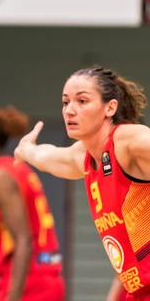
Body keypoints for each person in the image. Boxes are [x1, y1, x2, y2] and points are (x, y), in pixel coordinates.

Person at [14, 66, 150, 300]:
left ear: (110, 107)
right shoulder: (84, 157)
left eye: (82, 101)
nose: (70, 110)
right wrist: (26, 150)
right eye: (66, 102)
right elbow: (48, 158)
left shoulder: (128, 140)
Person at [0, 105, 64, 301]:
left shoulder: (0, 176)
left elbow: (24, 240)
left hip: (31, 283)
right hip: (45, 275)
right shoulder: (15, 167)